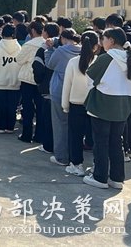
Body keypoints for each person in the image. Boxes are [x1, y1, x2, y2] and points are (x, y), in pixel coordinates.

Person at [84, 27, 131, 189]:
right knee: (116, 142)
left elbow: (89, 79)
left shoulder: (106, 58)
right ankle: (117, 178)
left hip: (102, 104)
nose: (101, 43)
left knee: (101, 142)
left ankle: (100, 177)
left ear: (111, 40)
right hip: (124, 107)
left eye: (103, 39)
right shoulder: (130, 57)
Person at [62, 31, 99, 177]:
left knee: (75, 137)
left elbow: (67, 85)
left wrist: (65, 105)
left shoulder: (73, 62)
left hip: (76, 104)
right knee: (95, 138)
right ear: (96, 46)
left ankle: (76, 165)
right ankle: (97, 165)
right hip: (94, 105)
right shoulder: (100, 61)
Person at [47, 28, 81, 167]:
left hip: (59, 92)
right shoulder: (83, 50)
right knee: (74, 127)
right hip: (77, 92)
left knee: (60, 125)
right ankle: (74, 157)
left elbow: (50, 64)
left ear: (63, 38)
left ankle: (61, 156)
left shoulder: (60, 51)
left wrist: (49, 50)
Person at [16, 20, 46, 143]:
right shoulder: (46, 44)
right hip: (41, 80)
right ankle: (39, 135)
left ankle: (26, 134)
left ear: (32, 31)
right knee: (40, 108)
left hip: (28, 79)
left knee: (27, 107)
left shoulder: (29, 45)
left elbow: (19, 60)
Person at [32, 22, 60, 153]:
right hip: (61, 89)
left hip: (47, 88)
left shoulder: (43, 49)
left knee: (47, 119)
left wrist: (39, 83)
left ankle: (48, 145)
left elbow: (37, 68)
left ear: (46, 33)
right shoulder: (63, 49)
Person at [0, 23, 21, 134]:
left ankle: (0, 126)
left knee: (1, 105)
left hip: (0, 79)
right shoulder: (19, 47)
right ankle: (10, 127)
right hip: (14, 80)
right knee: (12, 106)